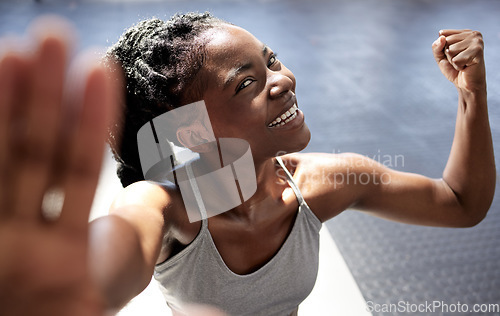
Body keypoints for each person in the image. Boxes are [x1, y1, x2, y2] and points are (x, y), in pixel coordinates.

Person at [0, 11, 495, 316]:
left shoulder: (323, 181)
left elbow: (458, 202)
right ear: (188, 135)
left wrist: (472, 95)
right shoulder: (168, 208)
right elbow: (123, 236)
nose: (283, 80)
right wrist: (79, 282)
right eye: (246, 83)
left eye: (271, 60)